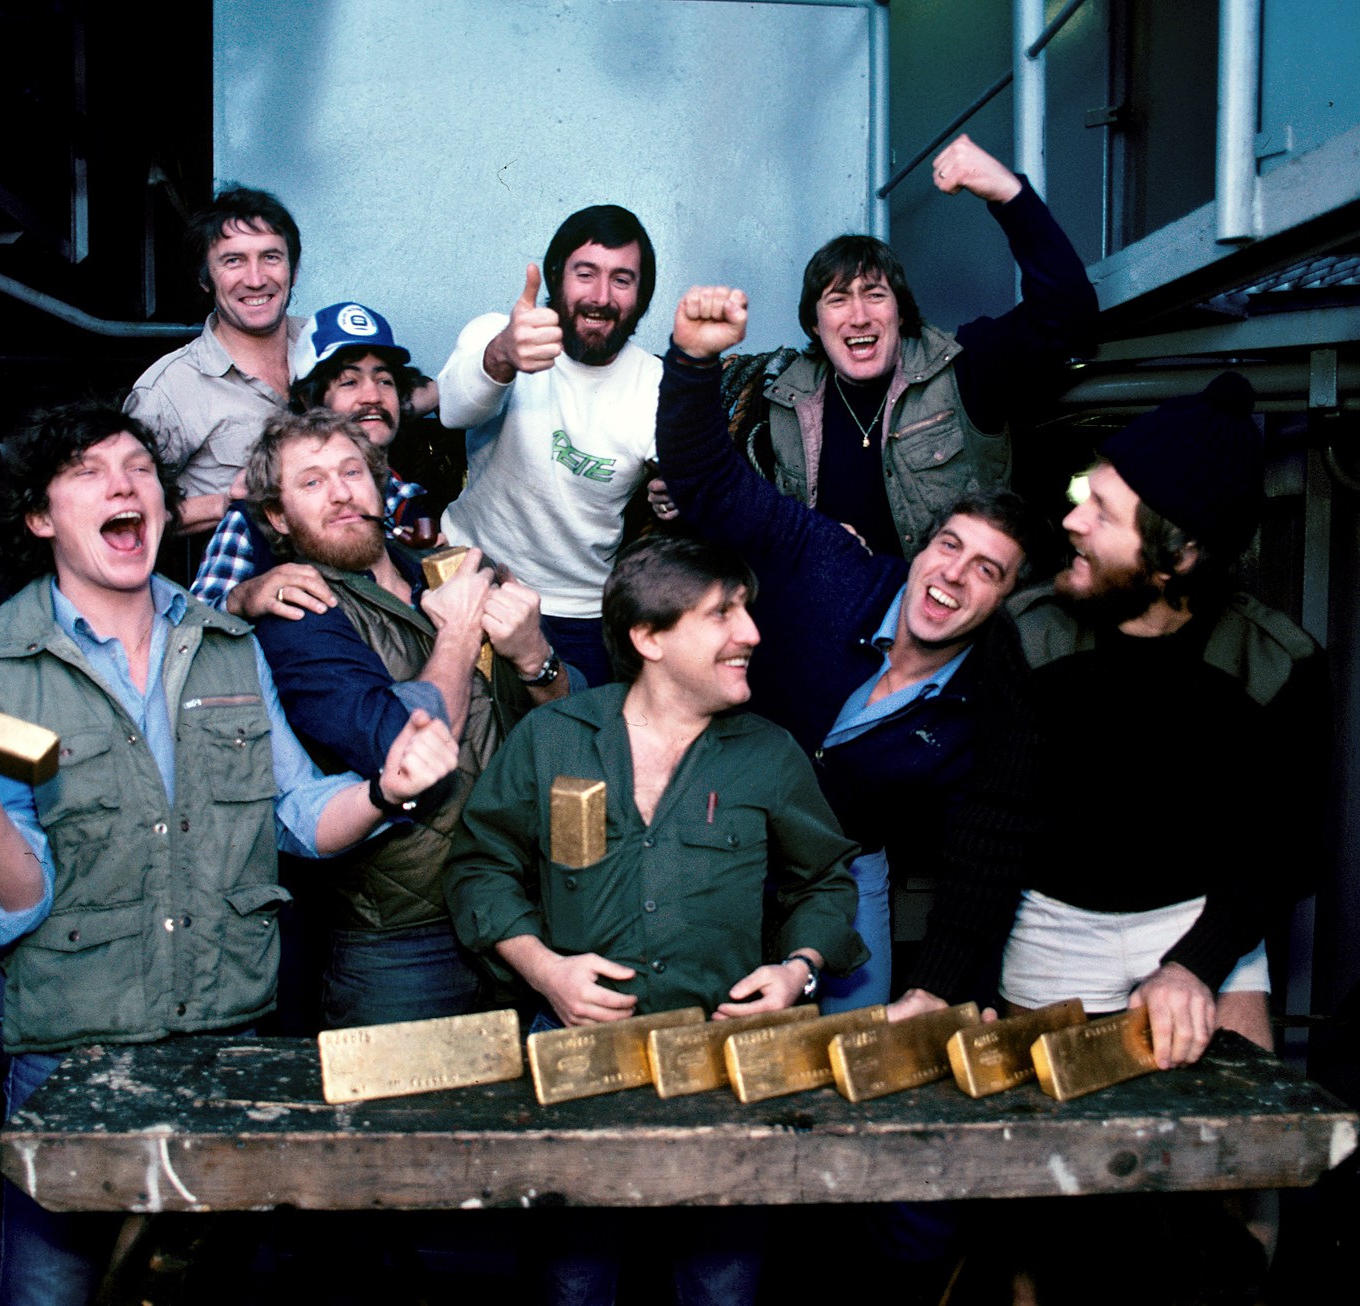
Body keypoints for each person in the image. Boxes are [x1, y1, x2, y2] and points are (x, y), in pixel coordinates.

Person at [0, 403, 459, 1306]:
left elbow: (296, 812)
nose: (122, 484)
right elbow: (13, 905)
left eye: (138, 467)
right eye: (88, 472)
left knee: (212, 1292)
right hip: (75, 1062)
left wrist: (385, 788)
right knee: (50, 1294)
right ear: (38, 516)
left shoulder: (228, 647)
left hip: (227, 1047)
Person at [444, 533, 865, 1305]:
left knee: (720, 1284)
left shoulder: (769, 756)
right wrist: (545, 970)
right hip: (578, 1055)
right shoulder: (554, 738)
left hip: (723, 1065)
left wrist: (796, 969)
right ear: (649, 637)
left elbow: (827, 883)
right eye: (722, 615)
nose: (751, 635)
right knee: (574, 1281)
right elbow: (479, 867)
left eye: (746, 612)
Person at [653, 285, 1047, 1016]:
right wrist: (692, 363)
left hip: (844, 867)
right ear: (921, 546)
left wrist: (956, 987)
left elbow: (983, 859)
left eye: (985, 571)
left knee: (852, 1048)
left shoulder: (980, 706)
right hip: (719, 833)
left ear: (1004, 602)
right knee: (694, 1026)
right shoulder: (828, 561)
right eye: (949, 546)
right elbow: (706, 482)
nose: (953, 575)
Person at [950, 372, 1330, 1070]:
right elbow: (992, 819)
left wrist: (1195, 965)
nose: (1070, 521)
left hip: (1202, 913)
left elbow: (1282, 848)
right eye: (1081, 495)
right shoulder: (1030, 634)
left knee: (1239, 1137)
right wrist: (933, 987)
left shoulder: (1275, 662)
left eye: (1100, 510)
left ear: (1176, 557)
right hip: (1056, 921)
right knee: (1050, 1160)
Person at [240, 407, 573, 1028]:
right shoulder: (299, 611)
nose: (340, 491)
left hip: (520, 912)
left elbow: (570, 740)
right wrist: (459, 633)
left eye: (351, 472)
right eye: (311, 482)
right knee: (405, 1126)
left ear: (380, 486)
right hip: (404, 942)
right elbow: (398, 746)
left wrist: (535, 656)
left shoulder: (444, 576)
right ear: (278, 518)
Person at [657, 135, 1095, 561]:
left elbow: (1067, 313)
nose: (859, 315)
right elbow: (743, 499)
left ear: (901, 313)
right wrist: (688, 496)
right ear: (815, 323)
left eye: (875, 294)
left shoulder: (964, 367)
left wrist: (1007, 193)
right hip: (839, 617)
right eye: (837, 299)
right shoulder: (783, 401)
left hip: (956, 619)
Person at [436, 204, 664, 684]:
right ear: (557, 277)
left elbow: (695, 477)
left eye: (622, 280)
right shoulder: (496, 336)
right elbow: (453, 411)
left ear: (642, 297)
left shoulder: (657, 384)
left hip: (581, 612)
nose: (600, 297)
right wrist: (501, 356)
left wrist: (678, 493)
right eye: (586, 274)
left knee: (578, 753)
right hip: (467, 577)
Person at [188, 299, 436, 619]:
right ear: (308, 399)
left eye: (384, 380)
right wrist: (243, 596)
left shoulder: (408, 502)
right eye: (349, 381)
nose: (373, 396)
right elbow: (196, 623)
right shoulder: (259, 513)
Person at [126, 186, 305, 534]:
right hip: (237, 579)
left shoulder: (327, 344)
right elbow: (126, 512)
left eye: (271, 257)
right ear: (205, 279)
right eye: (233, 260)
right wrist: (227, 503)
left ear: (293, 270)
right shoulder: (166, 391)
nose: (255, 280)